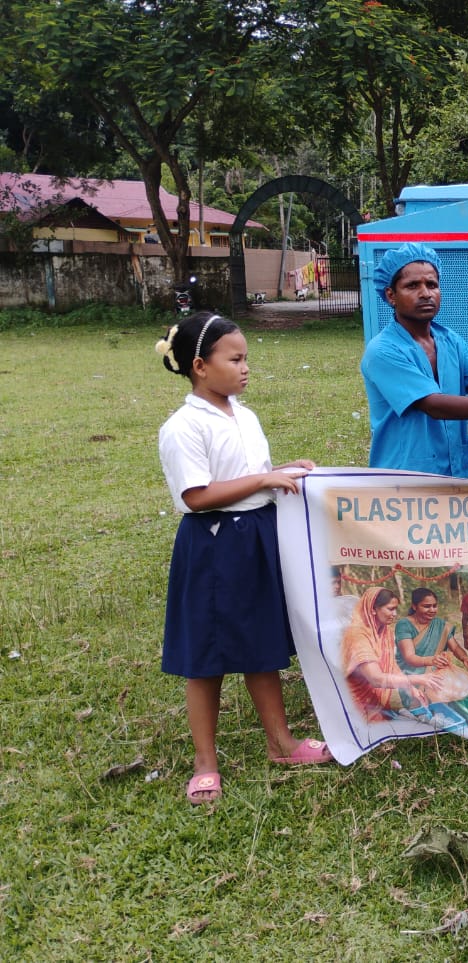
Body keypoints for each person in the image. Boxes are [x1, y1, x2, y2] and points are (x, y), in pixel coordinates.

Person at [156, 312, 332, 804]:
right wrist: (263, 480)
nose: (245, 368)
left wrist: (281, 470)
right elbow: (197, 495)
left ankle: (282, 743)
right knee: (205, 658)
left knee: (262, 645)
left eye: (246, 358)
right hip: (213, 543)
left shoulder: (244, 415)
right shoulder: (183, 426)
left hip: (257, 535)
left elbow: (247, 474)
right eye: (234, 359)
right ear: (199, 366)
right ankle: (205, 762)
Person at [359, 242, 468, 474]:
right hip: (404, 479)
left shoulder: (449, 340)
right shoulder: (383, 350)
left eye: (432, 285)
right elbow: (433, 405)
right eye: (412, 286)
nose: (425, 293)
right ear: (391, 295)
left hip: (452, 474)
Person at [342, 588, 441, 721]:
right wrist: (417, 679)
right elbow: (376, 679)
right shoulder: (357, 635)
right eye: (390, 609)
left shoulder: (385, 631)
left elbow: (391, 665)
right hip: (357, 703)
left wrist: (411, 688)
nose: (395, 614)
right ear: (373, 609)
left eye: (396, 609)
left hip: (378, 702)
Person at [395, 587, 468, 680]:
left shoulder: (441, 625)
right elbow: (409, 657)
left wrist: (465, 658)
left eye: (434, 606)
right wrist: (431, 660)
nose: (432, 610)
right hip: (412, 678)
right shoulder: (404, 625)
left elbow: (455, 647)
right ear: (414, 606)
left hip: (437, 676)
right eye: (427, 606)